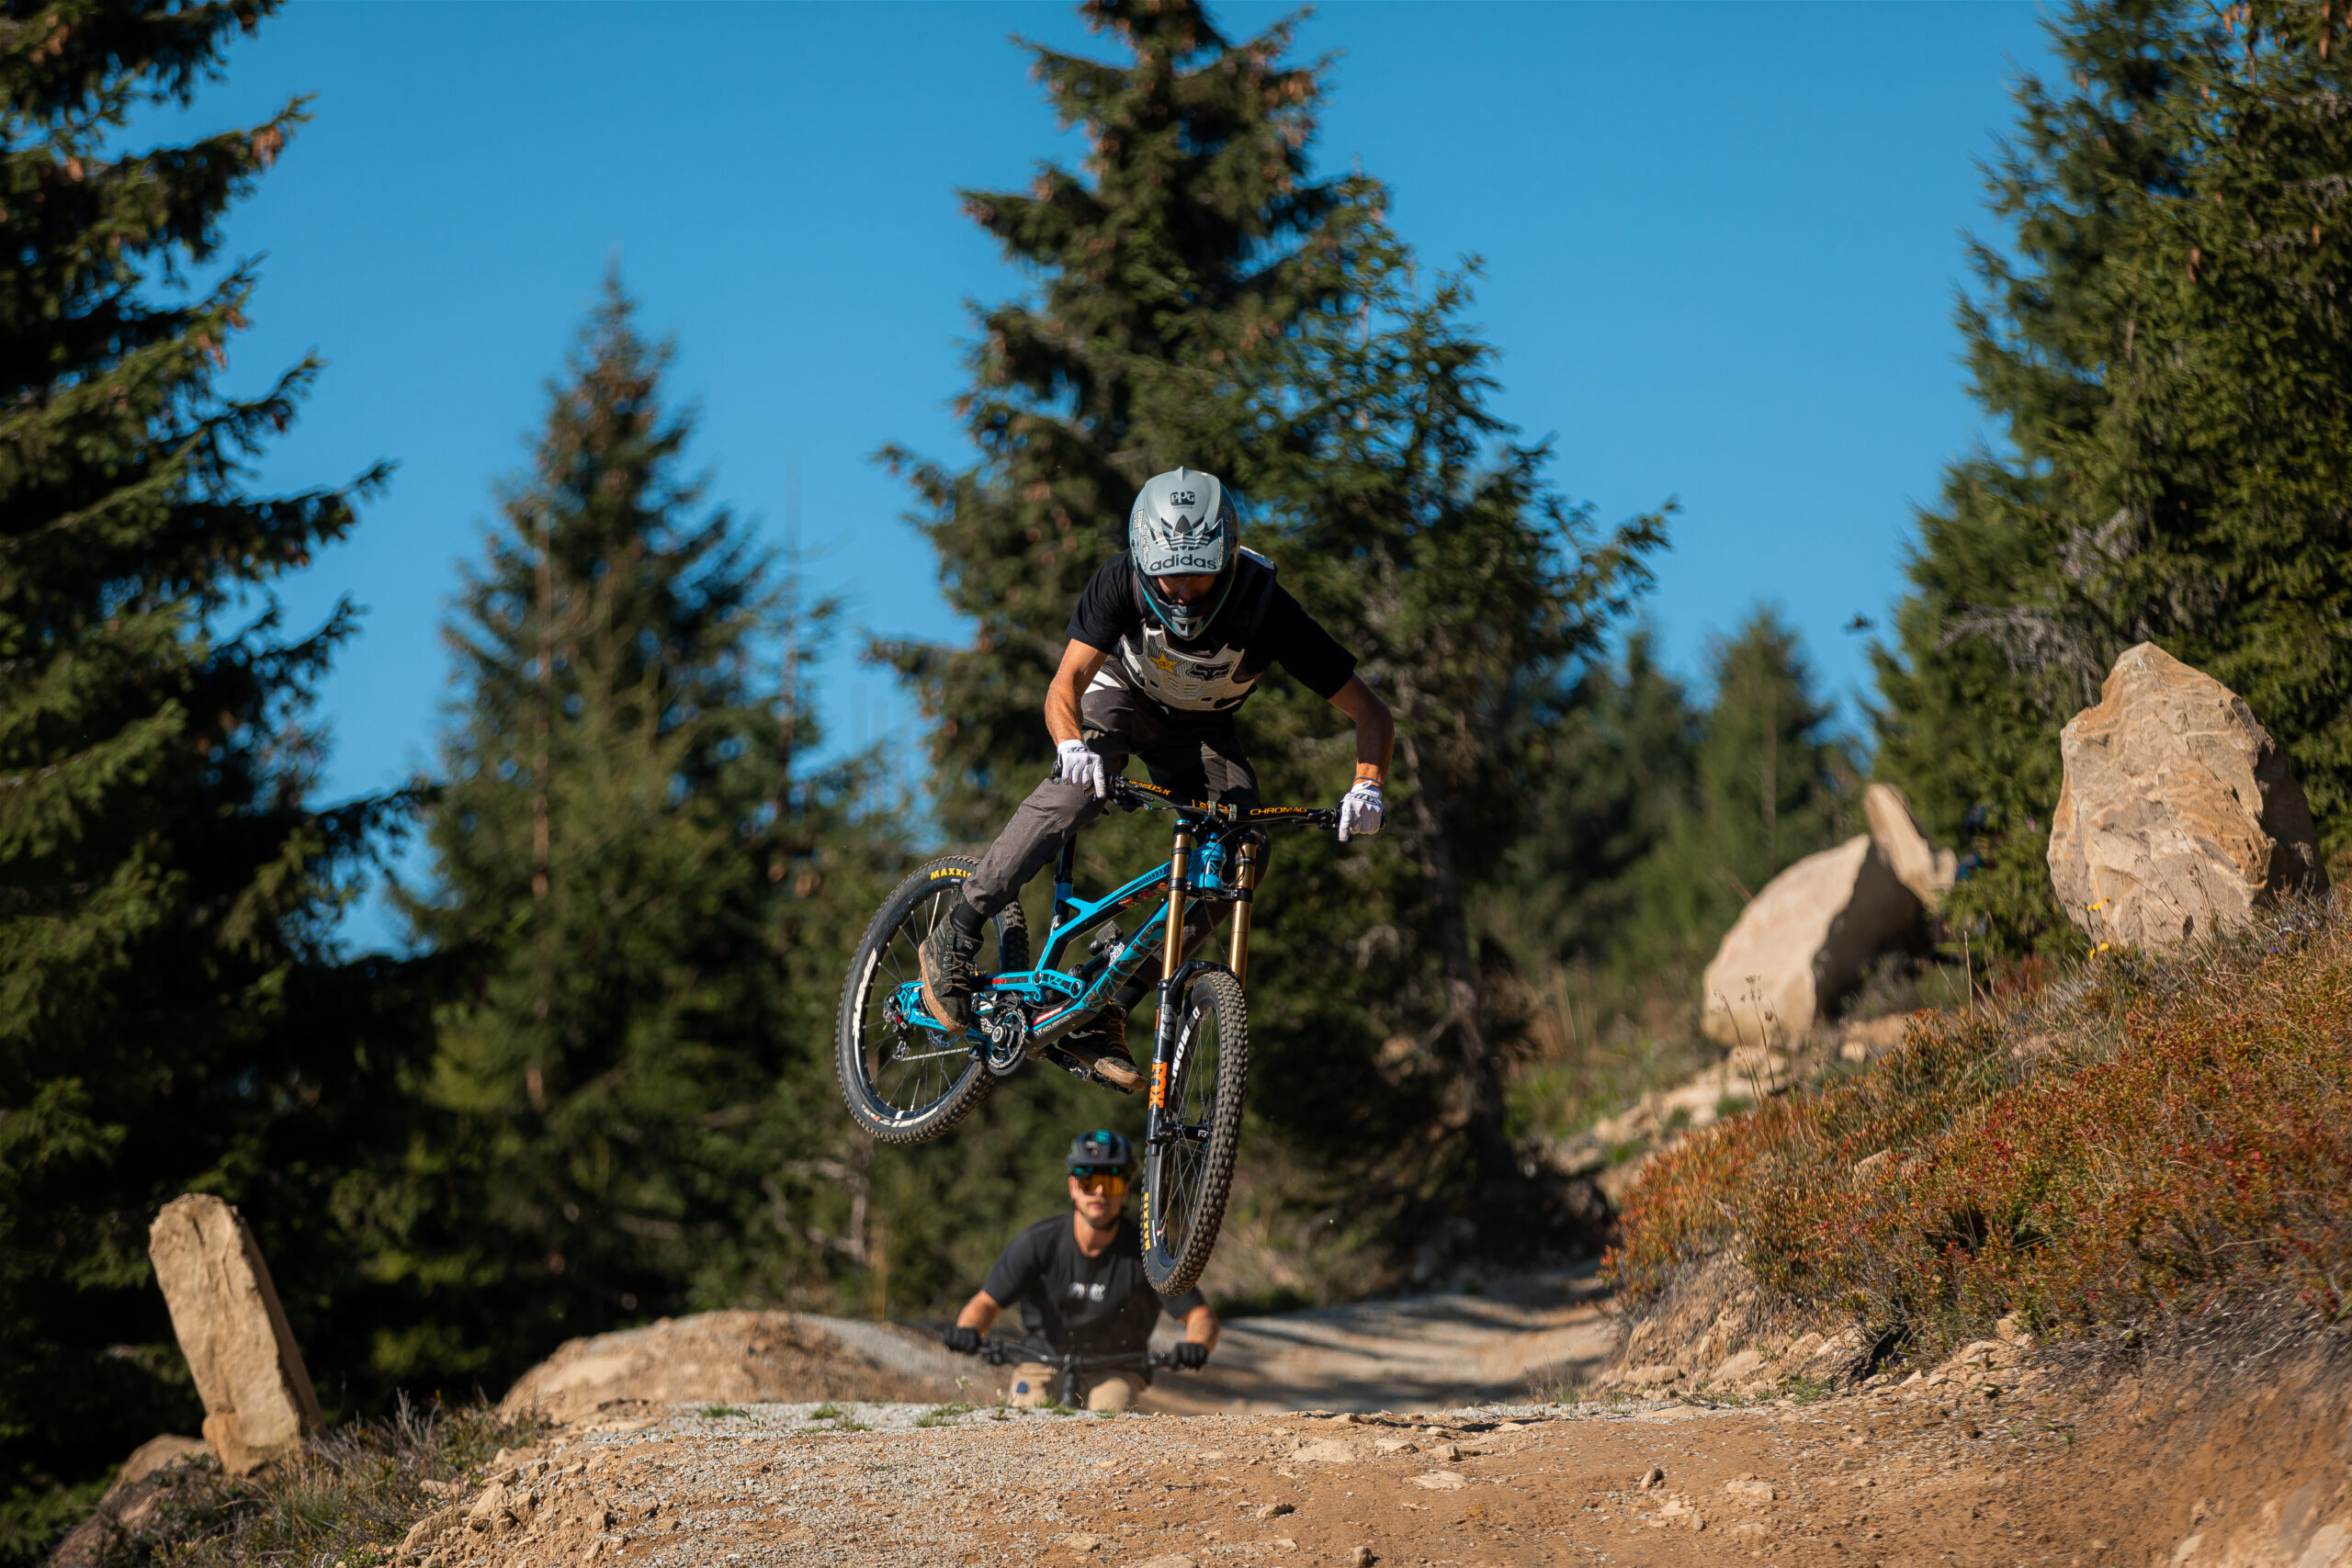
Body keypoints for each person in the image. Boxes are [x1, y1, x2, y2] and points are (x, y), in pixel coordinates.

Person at [919, 466, 1395, 1090]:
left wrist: (1368, 784)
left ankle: (1110, 996)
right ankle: (957, 930)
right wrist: (1072, 745)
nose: (1183, 593)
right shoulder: (1119, 579)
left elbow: (1370, 711)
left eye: (1199, 574)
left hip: (1201, 731)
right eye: (1170, 575)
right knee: (1072, 797)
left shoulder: (1265, 608)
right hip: (1120, 697)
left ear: (1226, 559)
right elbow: (1065, 684)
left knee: (1239, 856)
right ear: (1145, 561)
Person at [942, 1131, 1219, 1411]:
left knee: (1110, 1417)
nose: (1099, 1192)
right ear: (1073, 1187)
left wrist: (1197, 1344)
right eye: (1089, 1182)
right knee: (1027, 1412)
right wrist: (968, 1330)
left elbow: (1199, 1314)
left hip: (1116, 1367)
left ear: (1125, 1189)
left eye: (1110, 1183)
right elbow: (986, 1303)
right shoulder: (1037, 1242)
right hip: (1041, 1361)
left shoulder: (1148, 1253)